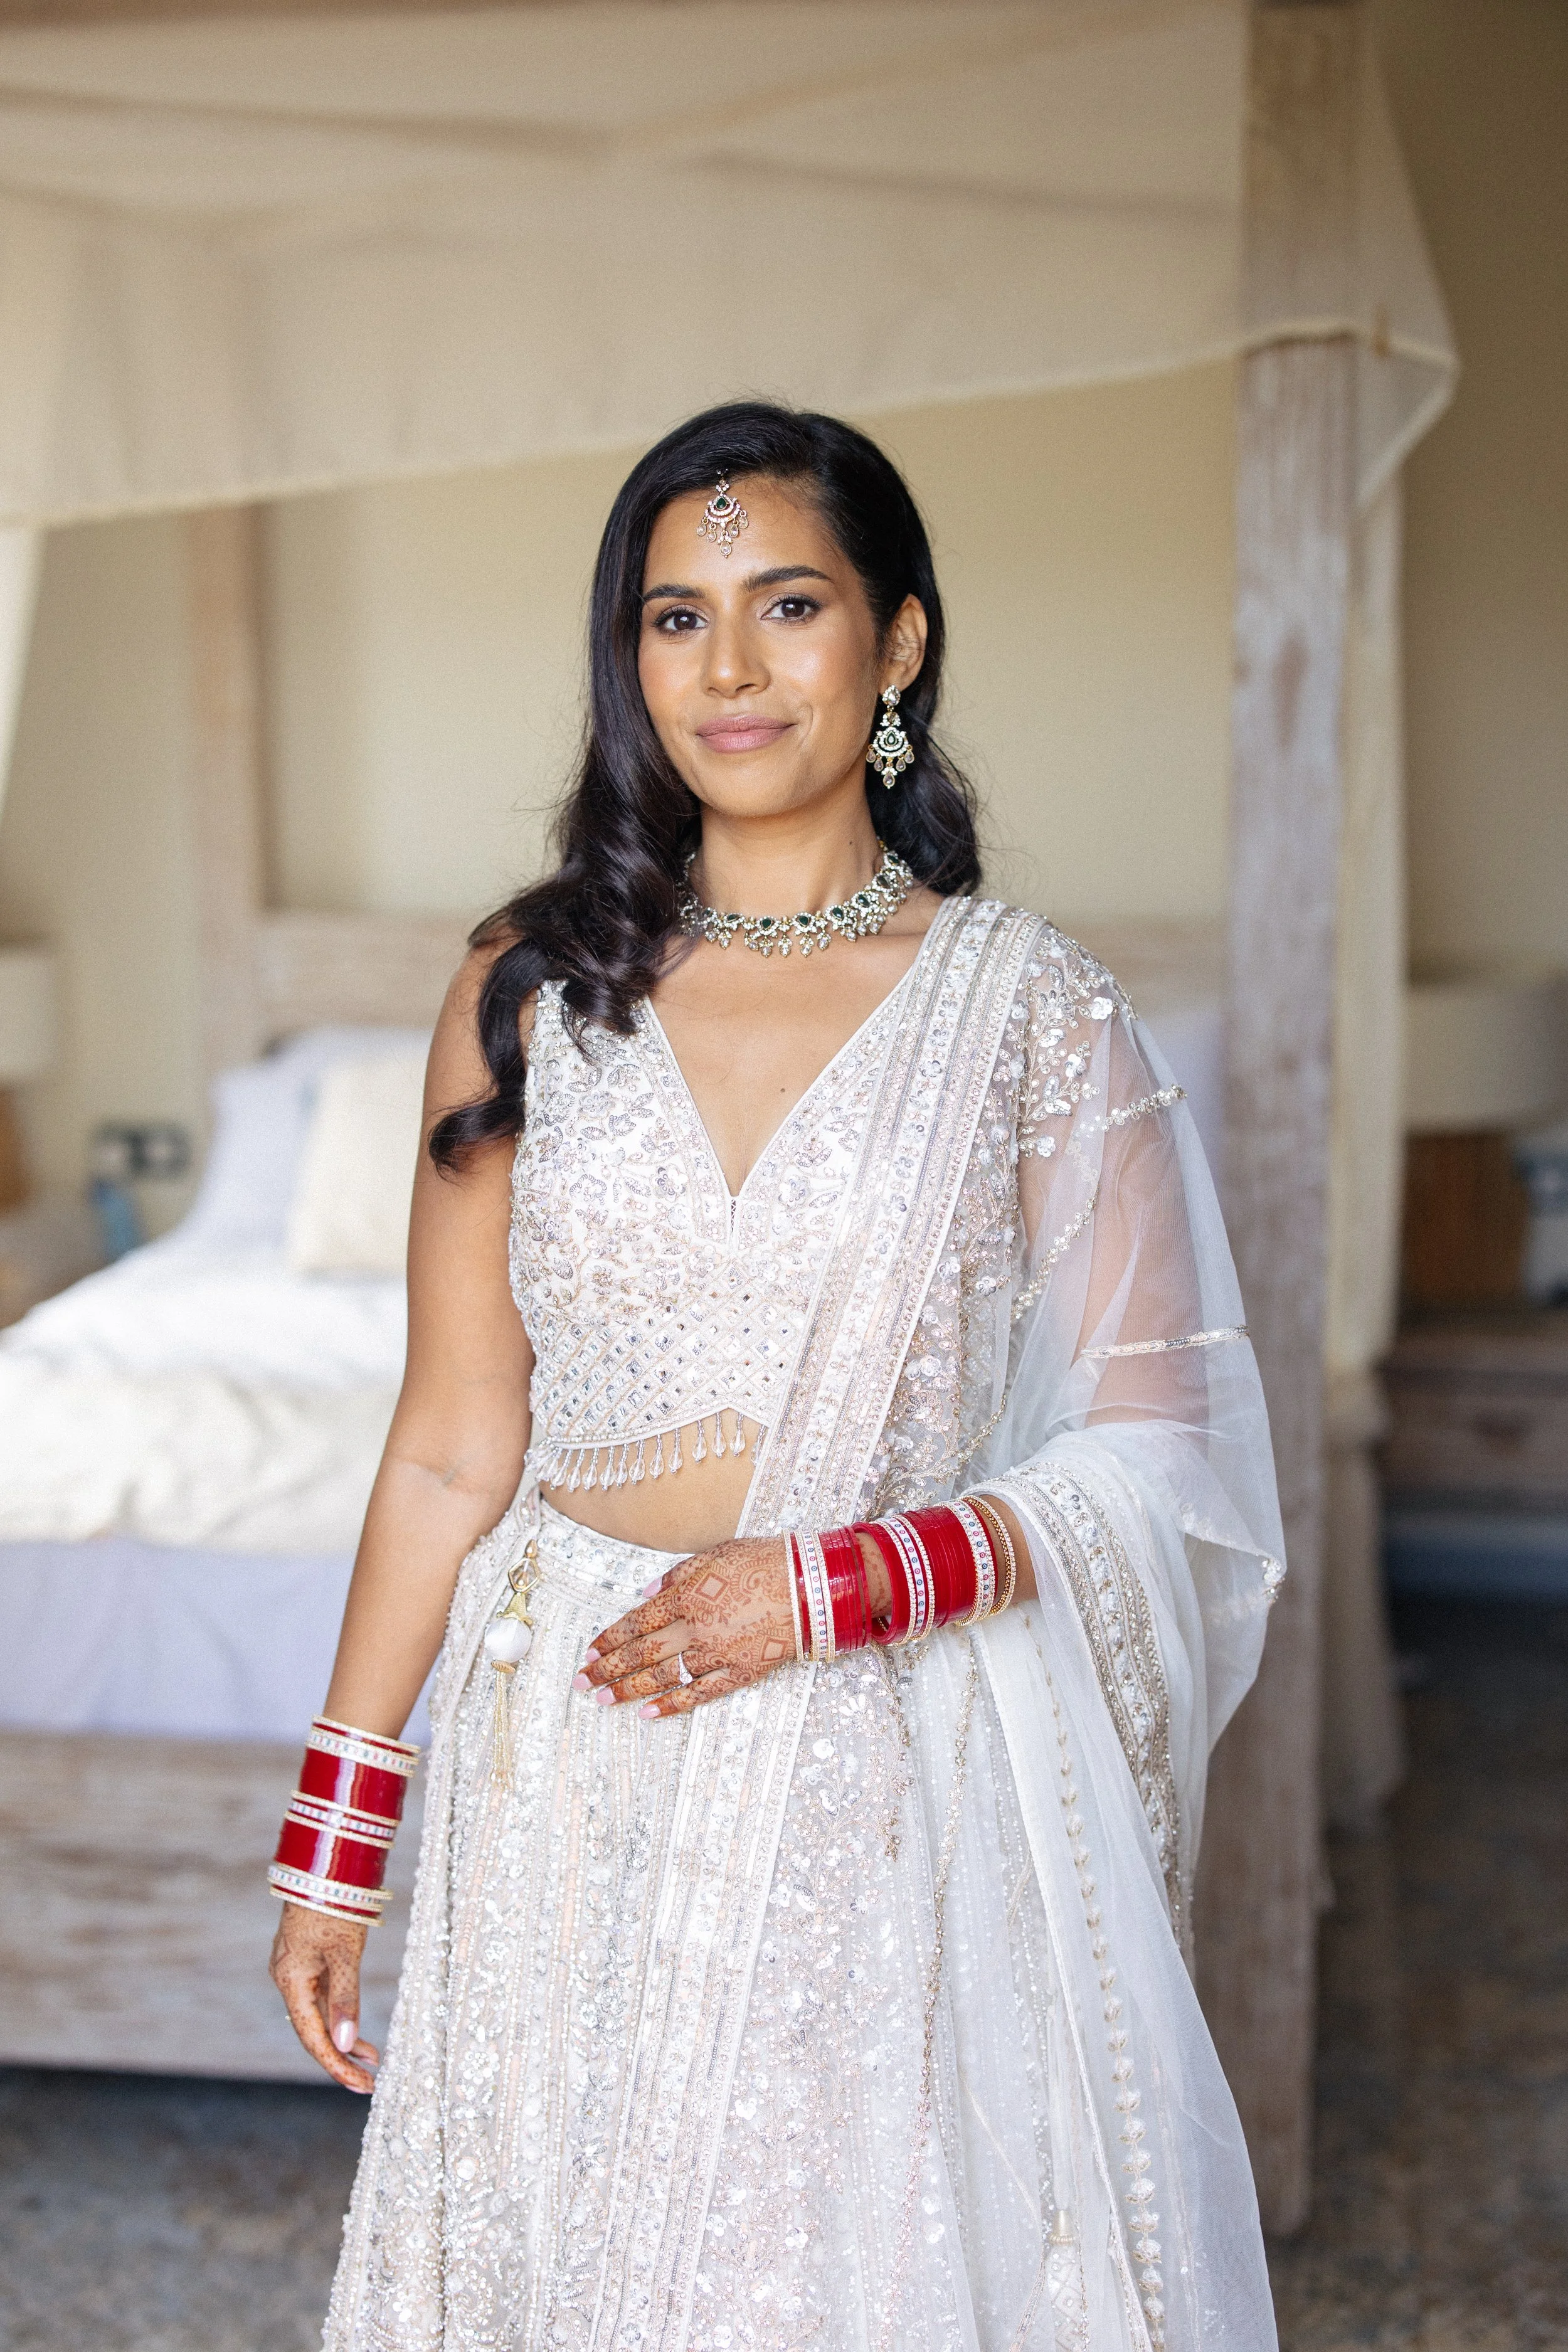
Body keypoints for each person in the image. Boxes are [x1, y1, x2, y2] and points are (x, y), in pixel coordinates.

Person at [268, 401, 1285, 2352]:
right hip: (560, 1747)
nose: (727, 668)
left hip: (871, 1748)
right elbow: (450, 1442)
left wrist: (834, 1586)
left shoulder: (1028, 1011)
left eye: (788, 604)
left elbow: (1169, 1457)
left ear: (896, 641)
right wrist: (336, 1841)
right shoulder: (528, 987)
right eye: (676, 616)